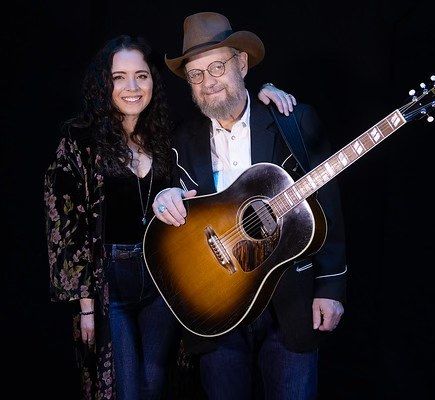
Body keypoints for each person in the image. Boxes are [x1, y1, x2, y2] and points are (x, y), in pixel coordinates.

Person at [43, 33, 297, 400]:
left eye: (141, 75)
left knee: (156, 383)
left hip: (165, 279)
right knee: (126, 388)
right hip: (109, 284)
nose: (131, 87)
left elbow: (225, 106)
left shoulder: (169, 136)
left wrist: (264, 93)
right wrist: (85, 306)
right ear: (104, 83)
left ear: (152, 81)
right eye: (119, 77)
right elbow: (64, 228)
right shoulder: (79, 142)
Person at [152, 12, 348, 399]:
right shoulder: (180, 141)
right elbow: (165, 201)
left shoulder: (292, 120)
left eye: (218, 67)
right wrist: (165, 197)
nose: (209, 83)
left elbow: (329, 207)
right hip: (218, 309)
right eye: (196, 74)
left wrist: (331, 286)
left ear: (241, 63)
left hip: (288, 303)